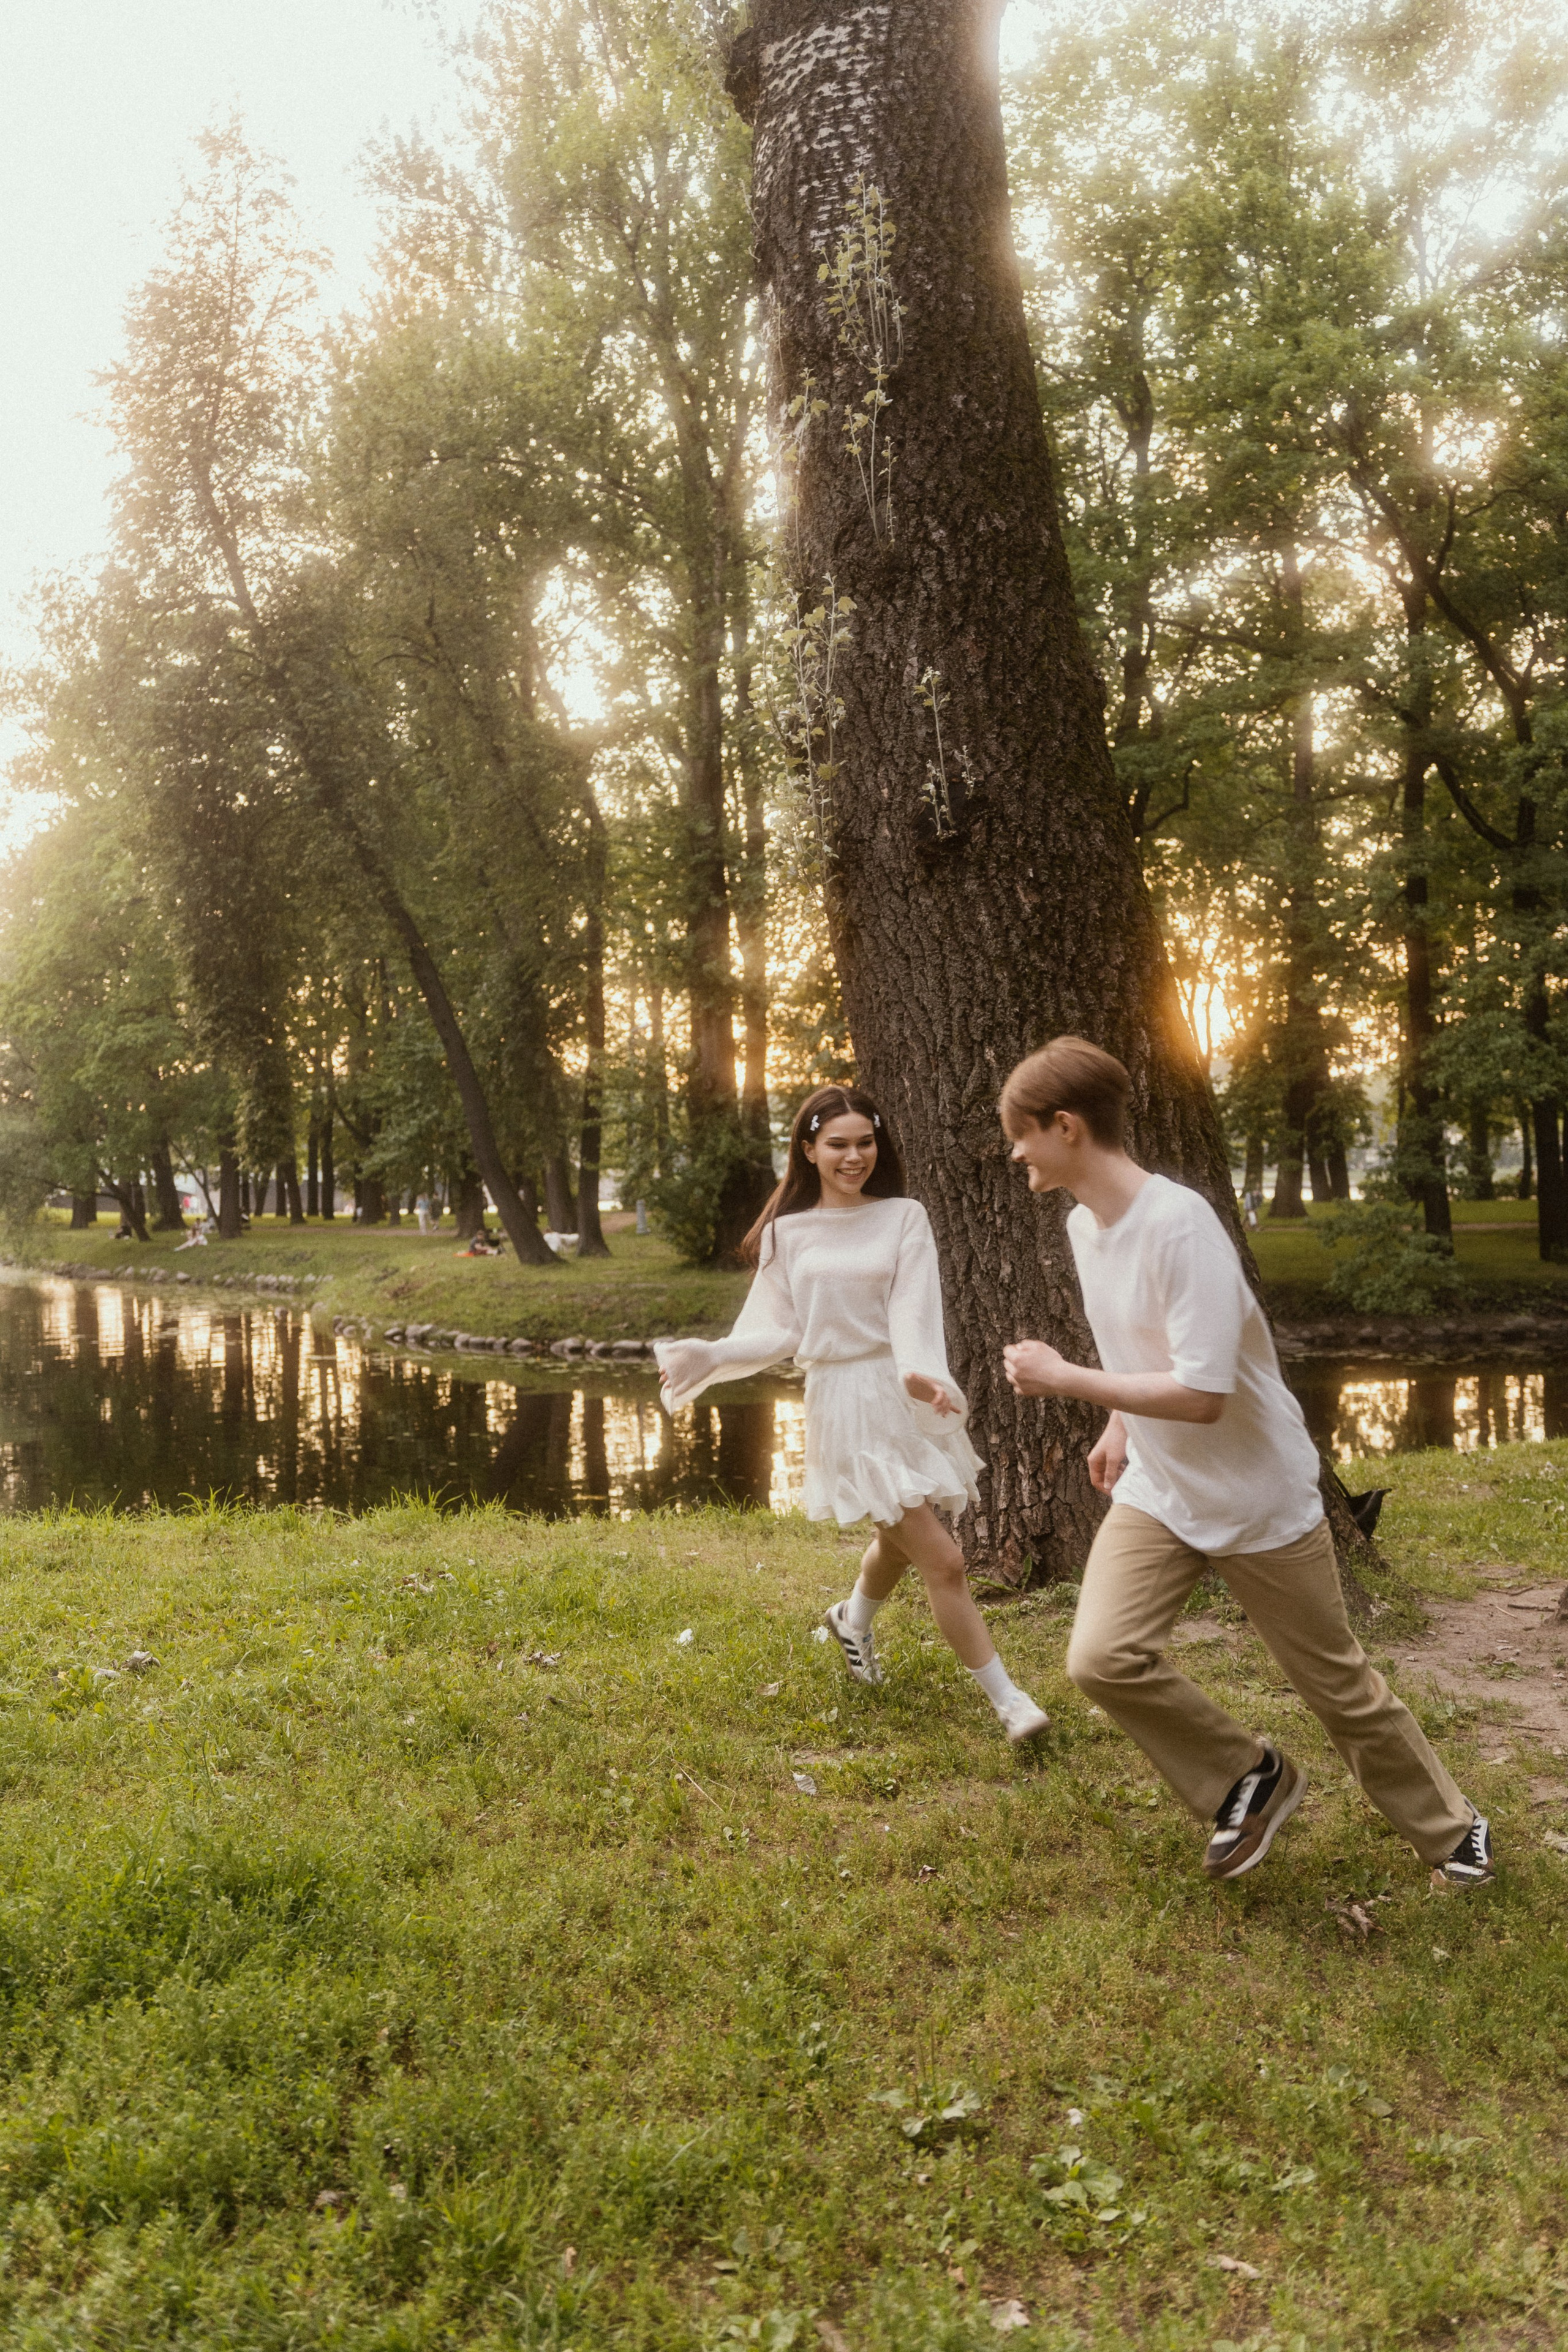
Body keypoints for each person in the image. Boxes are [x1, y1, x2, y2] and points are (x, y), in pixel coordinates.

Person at [998, 1035, 1492, 1887]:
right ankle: (1247, 1775)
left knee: (1339, 1690)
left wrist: (1070, 1380)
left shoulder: (1179, 1224)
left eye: (1023, 1133)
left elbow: (1204, 1393)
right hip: (1163, 1487)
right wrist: (1117, 1418)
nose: (1016, 1152)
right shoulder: (1085, 1225)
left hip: (1258, 1495)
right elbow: (1141, 1343)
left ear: (1067, 1127)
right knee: (1101, 1658)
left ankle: (1452, 1832)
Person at [654, 1085, 1049, 1747]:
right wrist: (711, 1352)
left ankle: (851, 1619)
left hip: (900, 1394)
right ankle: (1010, 1703)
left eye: (864, 1142)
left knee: (900, 1535)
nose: (853, 1156)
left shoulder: (903, 1216)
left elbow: (913, 1310)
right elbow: (780, 1332)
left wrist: (921, 1376)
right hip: (842, 1404)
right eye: (837, 1144)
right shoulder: (787, 1233)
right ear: (808, 1150)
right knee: (945, 1560)